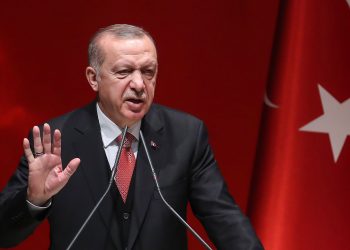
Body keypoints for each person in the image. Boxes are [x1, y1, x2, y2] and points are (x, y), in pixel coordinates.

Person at [0, 24, 263, 250]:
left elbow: (224, 219)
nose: (139, 84)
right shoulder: (54, 140)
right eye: (124, 72)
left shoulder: (186, 134)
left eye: (148, 72)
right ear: (94, 78)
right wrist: (34, 201)